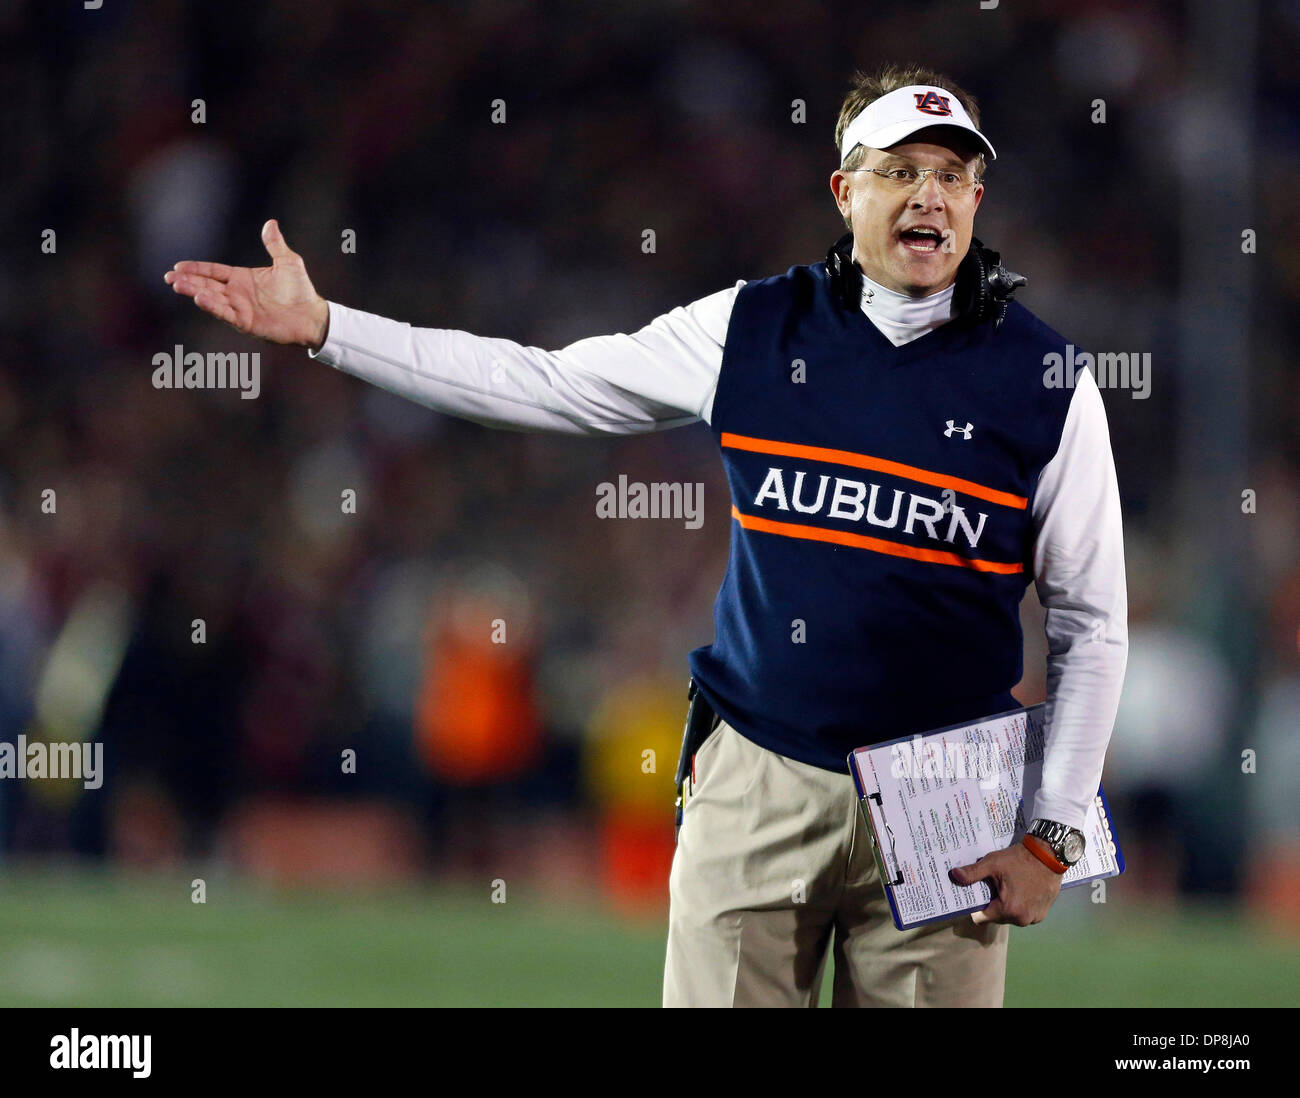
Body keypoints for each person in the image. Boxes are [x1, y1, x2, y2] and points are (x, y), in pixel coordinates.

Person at [164, 63, 1128, 1008]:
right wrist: (332, 326)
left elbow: (1094, 622)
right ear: (845, 190)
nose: (931, 196)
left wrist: (1052, 836)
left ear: (978, 194)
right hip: (761, 772)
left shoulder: (1046, 378)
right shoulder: (751, 329)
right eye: (901, 169)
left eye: (953, 174)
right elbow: (542, 383)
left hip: (949, 798)